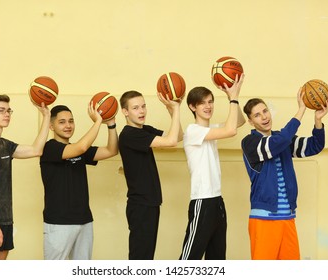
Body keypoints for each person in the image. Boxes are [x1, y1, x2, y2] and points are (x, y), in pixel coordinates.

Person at [241, 89, 328, 260]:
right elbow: (277, 143)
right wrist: (301, 110)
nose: (264, 117)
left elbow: (315, 146)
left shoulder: (282, 139)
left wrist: (318, 120)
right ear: (251, 122)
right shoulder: (250, 143)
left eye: (265, 111)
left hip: (288, 218)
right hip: (264, 220)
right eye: (257, 115)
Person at [0, 94, 50, 260]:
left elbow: (36, 150)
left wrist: (46, 116)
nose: (7, 114)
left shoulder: (5, 145)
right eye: (1, 110)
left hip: (6, 221)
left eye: (9, 110)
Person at [39, 103, 118, 260]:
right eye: (62, 122)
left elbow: (112, 150)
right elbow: (81, 148)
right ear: (51, 126)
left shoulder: (78, 148)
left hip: (84, 220)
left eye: (71, 121)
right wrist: (97, 121)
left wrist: (110, 123)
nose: (68, 125)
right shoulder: (49, 148)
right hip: (59, 223)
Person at [179, 74, 245, 260]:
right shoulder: (192, 131)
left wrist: (233, 96)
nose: (208, 106)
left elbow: (239, 122)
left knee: (217, 260)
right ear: (192, 107)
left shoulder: (212, 129)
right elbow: (231, 130)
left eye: (210, 102)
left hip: (217, 201)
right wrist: (233, 97)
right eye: (202, 103)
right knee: (189, 260)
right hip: (203, 200)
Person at [118, 90, 183, 260]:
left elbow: (179, 136)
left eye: (143, 106)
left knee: (147, 257)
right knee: (141, 259)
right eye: (135, 108)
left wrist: (171, 110)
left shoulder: (144, 130)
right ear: (125, 112)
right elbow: (171, 142)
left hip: (150, 203)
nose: (142, 111)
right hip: (140, 205)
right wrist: (176, 109)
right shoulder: (129, 135)